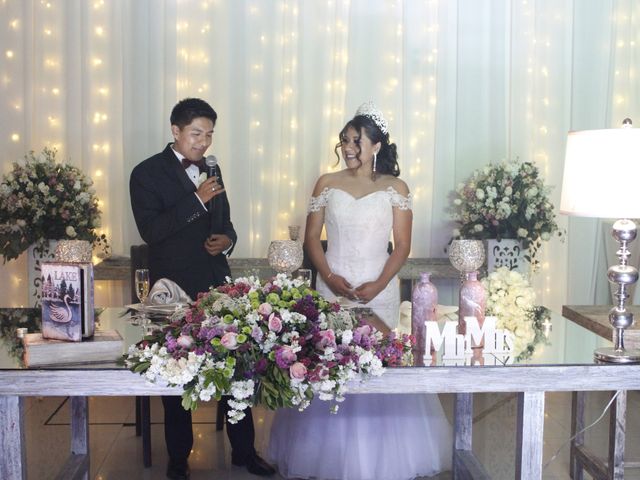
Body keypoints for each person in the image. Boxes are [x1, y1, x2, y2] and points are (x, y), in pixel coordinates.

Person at [267, 101, 452, 480]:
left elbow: (401, 246)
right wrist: (330, 277)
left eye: (357, 140)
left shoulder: (396, 188)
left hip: (376, 288)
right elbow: (311, 240)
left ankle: (379, 460)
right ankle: (324, 455)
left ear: (377, 146)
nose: (349, 147)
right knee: (327, 362)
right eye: (345, 140)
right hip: (332, 285)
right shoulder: (326, 183)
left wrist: (378, 285)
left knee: (376, 367)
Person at [130, 98, 275, 480]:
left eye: (209, 134)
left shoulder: (213, 168)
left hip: (217, 283)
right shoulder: (145, 173)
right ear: (175, 131)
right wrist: (197, 200)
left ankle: (245, 451)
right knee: (175, 373)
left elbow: (226, 221)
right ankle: (178, 458)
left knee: (237, 369)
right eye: (196, 134)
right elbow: (152, 232)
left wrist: (226, 239)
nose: (204, 143)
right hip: (172, 288)